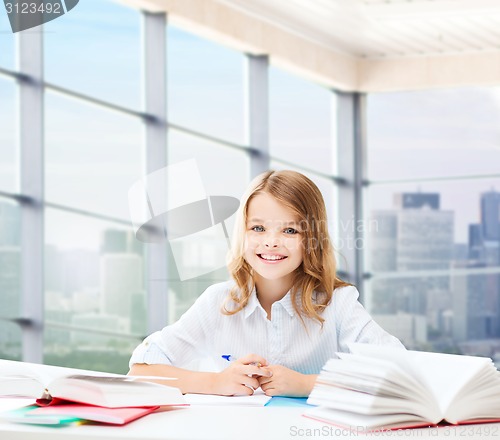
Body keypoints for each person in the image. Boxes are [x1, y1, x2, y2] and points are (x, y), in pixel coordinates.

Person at [128, 170, 404, 397]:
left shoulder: (337, 303)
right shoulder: (219, 302)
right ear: (242, 232)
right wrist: (215, 383)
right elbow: (141, 370)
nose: (271, 241)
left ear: (312, 239)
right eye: (258, 228)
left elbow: (400, 371)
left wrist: (308, 385)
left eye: (290, 230)